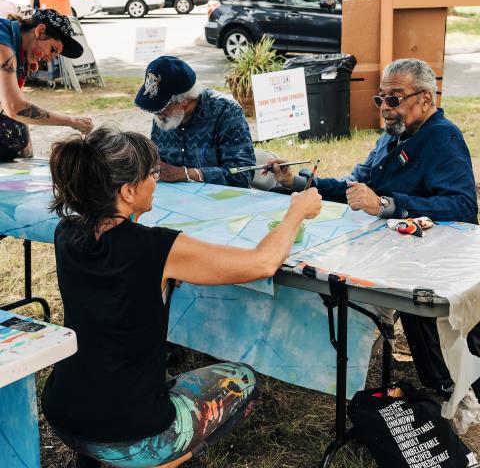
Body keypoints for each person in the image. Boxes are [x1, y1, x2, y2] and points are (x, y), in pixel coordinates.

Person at [41, 126, 321, 468]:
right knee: (243, 379)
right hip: (133, 433)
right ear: (129, 190)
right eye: (152, 174)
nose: (155, 182)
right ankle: (164, 461)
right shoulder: (158, 247)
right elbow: (262, 263)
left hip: (63, 414)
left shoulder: (66, 232)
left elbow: (117, 282)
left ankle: (97, 459)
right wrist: (296, 213)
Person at [265, 58, 480, 399]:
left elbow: (463, 208)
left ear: (425, 99)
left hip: (427, 262)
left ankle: (445, 383)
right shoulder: (392, 136)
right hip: (386, 250)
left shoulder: (443, 137)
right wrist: (297, 181)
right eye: (380, 99)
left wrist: (386, 205)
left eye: (395, 99)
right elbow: (355, 189)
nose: (385, 109)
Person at [135, 56, 255, 188]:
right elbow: (157, 164)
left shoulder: (226, 111)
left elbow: (243, 174)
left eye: (160, 109)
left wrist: (186, 174)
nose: (157, 116)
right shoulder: (164, 117)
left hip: (220, 204)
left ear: (184, 101)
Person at [0, 9, 93, 161]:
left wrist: (26, 146)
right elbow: (13, 107)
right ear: (40, 30)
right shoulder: (4, 46)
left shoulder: (15, 46)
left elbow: (15, 105)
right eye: (52, 49)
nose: (48, 59)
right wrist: (72, 121)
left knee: (16, 135)